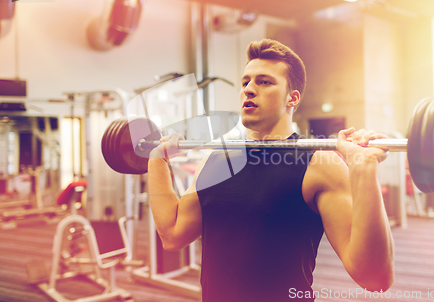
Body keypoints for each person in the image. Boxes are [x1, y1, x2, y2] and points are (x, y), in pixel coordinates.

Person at [148, 39, 394, 301]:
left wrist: (364, 168)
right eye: (245, 82)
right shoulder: (218, 160)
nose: (249, 90)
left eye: (264, 82)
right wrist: (157, 162)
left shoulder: (319, 165)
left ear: (293, 98)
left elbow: (373, 277)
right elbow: (172, 234)